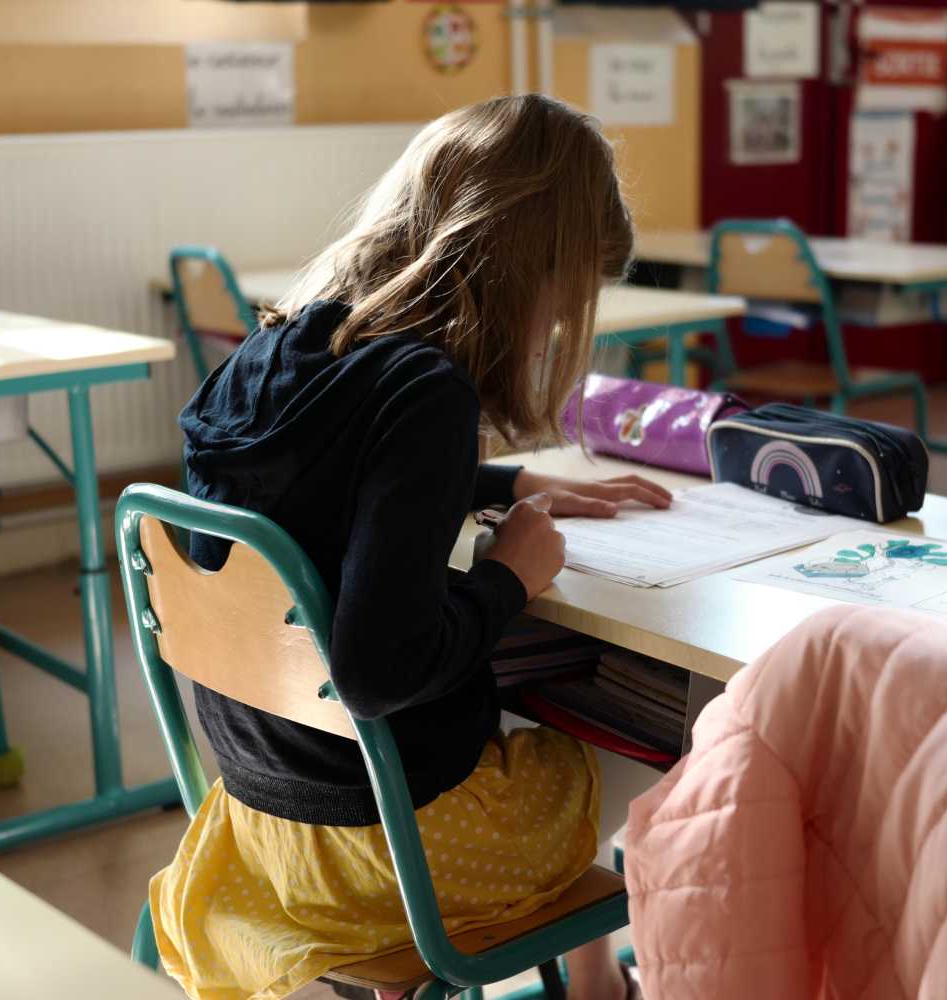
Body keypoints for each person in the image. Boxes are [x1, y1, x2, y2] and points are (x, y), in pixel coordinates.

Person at [153, 94, 667, 1000]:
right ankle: (595, 987)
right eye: (561, 300)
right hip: (391, 855)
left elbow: (324, 483)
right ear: (524, 267)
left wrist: (509, 485)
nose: (553, 328)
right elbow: (378, 670)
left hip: (257, 819)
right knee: (614, 754)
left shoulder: (274, 347)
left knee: (495, 720)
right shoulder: (429, 391)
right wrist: (511, 574)